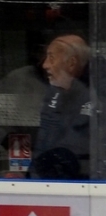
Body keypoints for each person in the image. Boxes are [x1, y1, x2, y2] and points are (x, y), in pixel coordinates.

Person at [29, 34, 91, 180]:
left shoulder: (98, 96)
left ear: (71, 63)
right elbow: (43, 143)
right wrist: (32, 175)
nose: (45, 65)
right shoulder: (54, 92)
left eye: (51, 58)